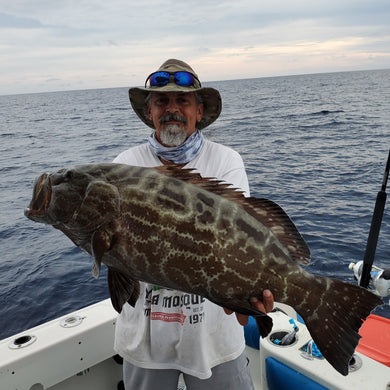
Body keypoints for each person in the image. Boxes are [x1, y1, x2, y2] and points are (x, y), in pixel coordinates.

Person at [113, 59, 274, 390]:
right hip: (145, 343)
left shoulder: (225, 161)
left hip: (215, 341)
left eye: (182, 101)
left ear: (199, 111)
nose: (172, 109)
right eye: (161, 101)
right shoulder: (124, 166)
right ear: (149, 113)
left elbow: (239, 238)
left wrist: (247, 296)